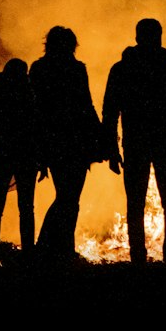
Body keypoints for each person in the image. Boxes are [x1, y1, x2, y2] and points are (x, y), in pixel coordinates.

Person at [102, 18, 166, 264]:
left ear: (137, 37)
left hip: (136, 143)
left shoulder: (122, 69)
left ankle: (139, 258)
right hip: (164, 142)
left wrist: (112, 150)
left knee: (136, 204)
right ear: (159, 36)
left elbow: (110, 113)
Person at [29, 26, 105, 265]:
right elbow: (86, 105)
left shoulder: (40, 69)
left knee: (68, 196)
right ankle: (54, 249)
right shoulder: (74, 69)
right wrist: (99, 135)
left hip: (58, 142)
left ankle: (55, 248)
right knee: (69, 197)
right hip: (72, 142)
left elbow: (36, 109)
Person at [0, 59, 39, 265]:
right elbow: (36, 130)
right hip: (25, 158)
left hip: (1, 157)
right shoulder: (30, 98)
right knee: (26, 208)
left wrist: (2, 138)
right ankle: (28, 255)